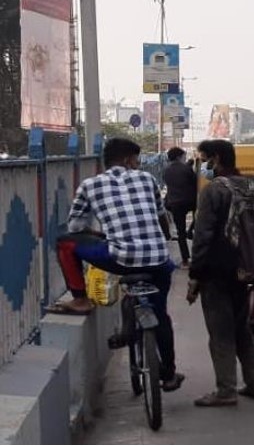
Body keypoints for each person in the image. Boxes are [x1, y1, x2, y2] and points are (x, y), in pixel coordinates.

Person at [51, 137, 184, 392]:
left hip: (120, 259)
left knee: (64, 243)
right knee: (161, 314)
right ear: (127, 160)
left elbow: (75, 228)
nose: (137, 165)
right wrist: (162, 240)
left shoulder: (89, 185)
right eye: (136, 160)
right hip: (158, 260)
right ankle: (169, 373)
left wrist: (99, 234)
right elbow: (160, 217)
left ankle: (79, 299)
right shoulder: (147, 180)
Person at [188, 139, 254, 406]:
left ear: (217, 159)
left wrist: (195, 274)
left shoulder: (213, 192)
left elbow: (203, 236)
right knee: (243, 329)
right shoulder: (250, 186)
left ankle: (226, 390)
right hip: (247, 269)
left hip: (217, 271)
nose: (205, 165)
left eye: (206, 159)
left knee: (220, 333)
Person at [163, 147, 197, 268]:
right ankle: (192, 233)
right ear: (179, 157)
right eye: (183, 156)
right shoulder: (187, 169)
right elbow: (195, 183)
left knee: (180, 232)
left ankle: (185, 260)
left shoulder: (166, 170)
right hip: (191, 201)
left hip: (175, 204)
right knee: (198, 224)